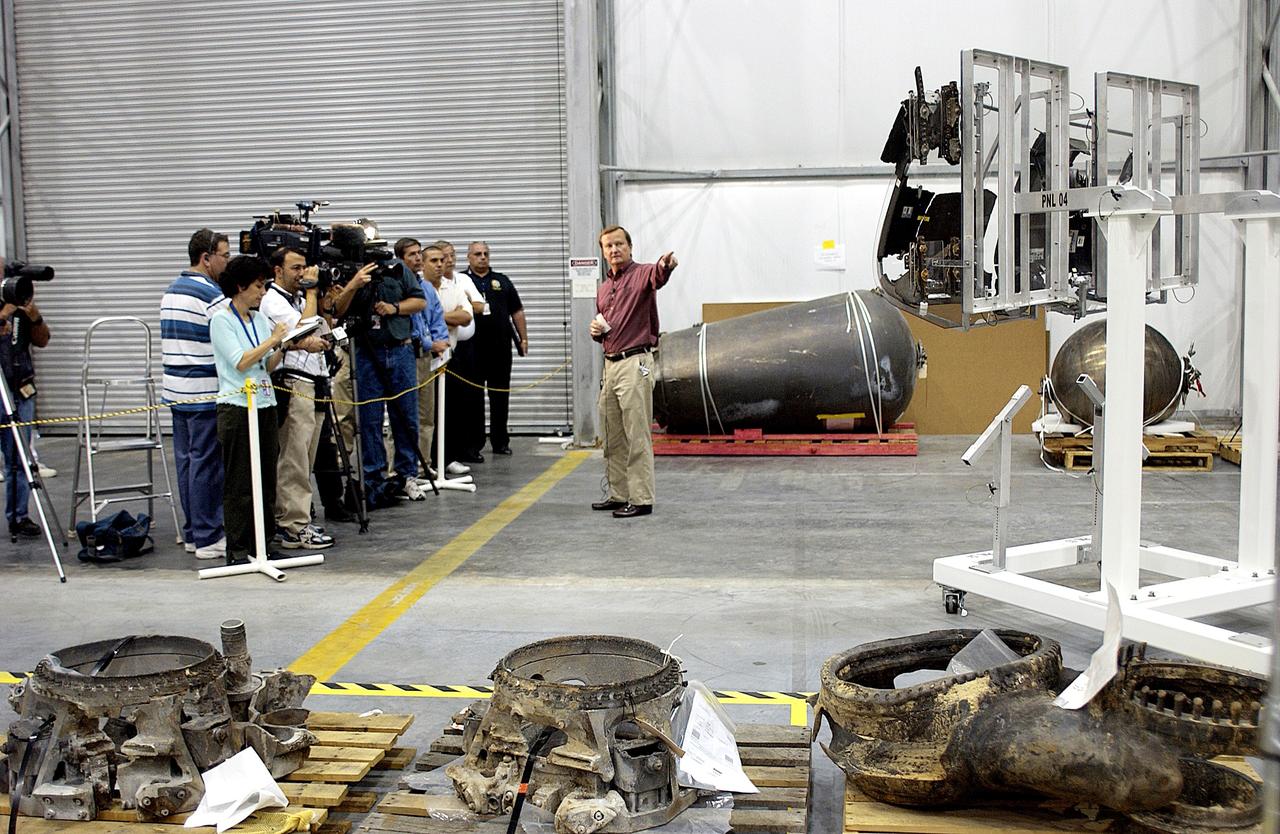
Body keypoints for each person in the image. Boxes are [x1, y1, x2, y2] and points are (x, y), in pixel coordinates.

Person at [590, 225, 676, 519]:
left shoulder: (643, 275)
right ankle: (619, 493)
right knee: (612, 432)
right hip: (610, 364)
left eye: (618, 244)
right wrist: (596, 331)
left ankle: (641, 498)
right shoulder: (604, 289)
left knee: (637, 432)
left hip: (635, 362)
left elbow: (659, 275)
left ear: (630, 247)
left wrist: (666, 265)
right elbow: (606, 327)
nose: (613, 250)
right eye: (608, 246)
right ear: (603, 253)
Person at [209, 255, 290, 565]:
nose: (262, 292)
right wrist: (273, 340)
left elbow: (264, 366)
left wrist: (281, 346)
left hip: (265, 401)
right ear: (240, 286)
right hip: (236, 405)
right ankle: (239, 547)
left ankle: (265, 542)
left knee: (267, 475)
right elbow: (241, 362)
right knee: (240, 480)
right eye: (258, 286)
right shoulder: (221, 320)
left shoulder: (257, 319)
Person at [160, 228, 230, 559]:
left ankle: (193, 533)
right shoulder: (210, 296)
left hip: (176, 391)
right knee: (206, 464)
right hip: (203, 392)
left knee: (188, 463)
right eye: (224, 256)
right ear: (206, 258)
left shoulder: (171, 290)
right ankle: (208, 536)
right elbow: (229, 339)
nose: (227, 262)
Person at [259, 247, 335, 550]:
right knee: (294, 457)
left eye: (305, 267)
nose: (303, 274)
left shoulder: (300, 300)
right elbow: (303, 330)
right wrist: (313, 294)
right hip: (293, 383)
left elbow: (323, 331)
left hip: (315, 380)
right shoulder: (273, 301)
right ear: (278, 271)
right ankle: (292, 525)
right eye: (296, 268)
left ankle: (296, 517)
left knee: (307, 456)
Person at [353, 244, 426, 501]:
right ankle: (374, 477)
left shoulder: (398, 269)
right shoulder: (354, 272)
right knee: (370, 418)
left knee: (406, 416)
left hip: (400, 348)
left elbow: (419, 301)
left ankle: (407, 475)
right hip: (366, 352)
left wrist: (394, 307)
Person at [463, 241, 528, 455]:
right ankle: (474, 444)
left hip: (500, 348)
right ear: (469, 257)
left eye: (486, 254)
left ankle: (500, 442)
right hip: (472, 349)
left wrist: (523, 339)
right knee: (473, 398)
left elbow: (516, 311)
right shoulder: (462, 281)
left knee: (500, 395)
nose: (482, 257)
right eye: (478, 254)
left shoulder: (502, 281)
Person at [0, 269, 50, 539]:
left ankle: (20, 516)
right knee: (11, 460)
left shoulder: (21, 307)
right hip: (0, 388)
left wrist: (34, 316)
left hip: (22, 387)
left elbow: (43, 340)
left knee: (20, 458)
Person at [407, 242, 451, 478]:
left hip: (428, 359)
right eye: (412, 255)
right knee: (406, 414)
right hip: (408, 356)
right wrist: (427, 343)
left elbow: (436, 319)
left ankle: (425, 463)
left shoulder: (427, 288)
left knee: (427, 414)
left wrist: (441, 343)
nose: (416, 259)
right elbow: (409, 325)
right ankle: (403, 469)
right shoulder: (403, 287)